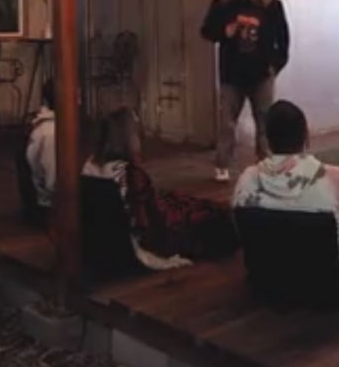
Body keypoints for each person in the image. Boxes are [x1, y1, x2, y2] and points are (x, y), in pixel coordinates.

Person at [232, 100, 339, 281]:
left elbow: (241, 232)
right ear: (307, 136)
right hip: (328, 283)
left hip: (266, 277)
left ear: (267, 140)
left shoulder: (248, 178)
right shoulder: (338, 178)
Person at [82, 107, 239, 271]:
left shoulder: (89, 166)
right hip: (153, 232)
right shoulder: (130, 174)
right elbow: (150, 221)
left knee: (185, 200)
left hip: (109, 233)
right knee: (211, 214)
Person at [201, 0, 290, 182]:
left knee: (265, 122)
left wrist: (274, 66)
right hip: (232, 74)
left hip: (261, 74)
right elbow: (206, 31)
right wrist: (226, 31)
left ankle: (267, 164)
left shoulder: (271, 5)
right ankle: (222, 165)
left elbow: (284, 39)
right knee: (227, 123)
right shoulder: (222, 4)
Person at [25, 79, 56, 213]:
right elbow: (52, 181)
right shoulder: (51, 132)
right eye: (77, 97)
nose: (80, 102)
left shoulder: (49, 127)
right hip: (50, 205)